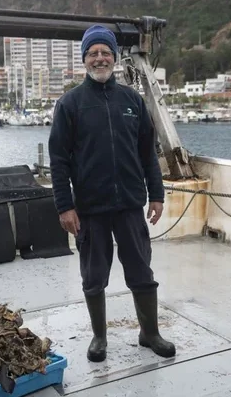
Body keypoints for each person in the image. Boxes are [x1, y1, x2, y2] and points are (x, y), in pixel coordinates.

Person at [48, 24, 175, 362]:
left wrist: (157, 194)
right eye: (93, 53)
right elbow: (58, 161)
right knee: (93, 276)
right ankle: (99, 338)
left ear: (115, 57)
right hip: (89, 208)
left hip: (130, 205)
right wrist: (65, 206)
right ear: (85, 60)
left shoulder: (132, 100)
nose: (100, 58)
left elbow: (148, 153)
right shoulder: (70, 104)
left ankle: (150, 333)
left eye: (105, 52)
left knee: (141, 272)